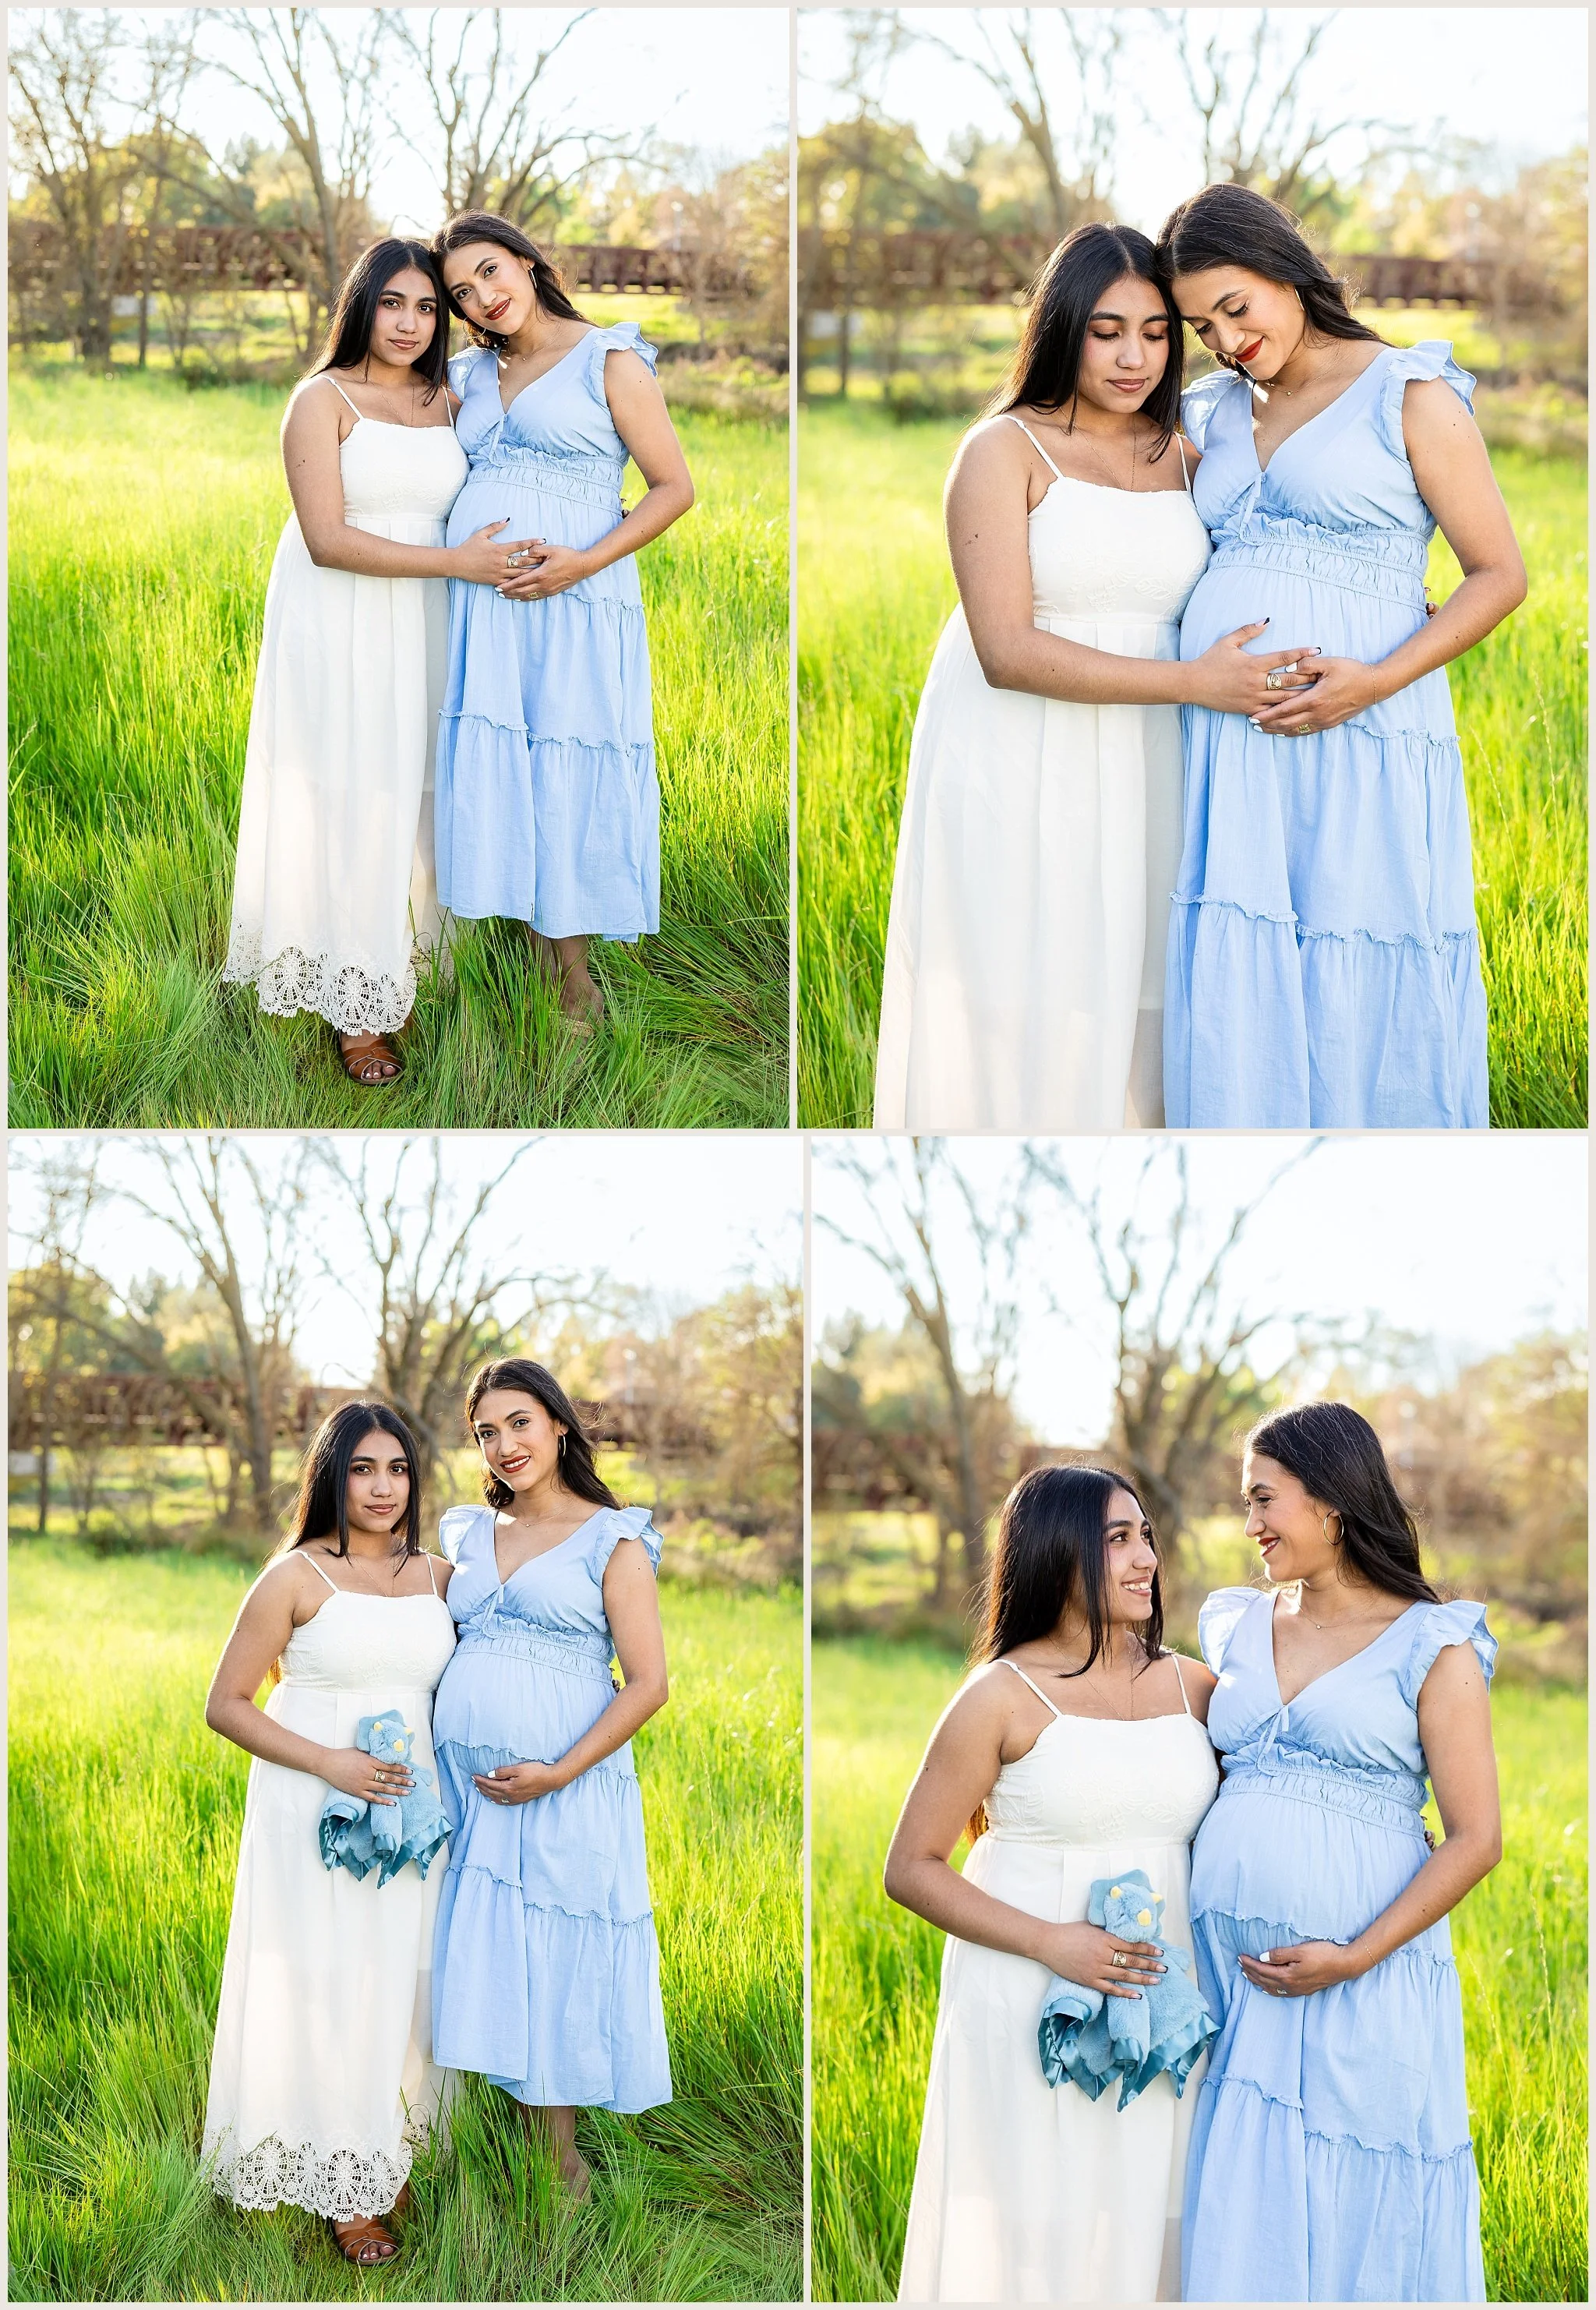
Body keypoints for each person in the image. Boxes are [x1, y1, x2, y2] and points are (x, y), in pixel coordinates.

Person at [872, 220, 1318, 1132]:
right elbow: (1005, 651)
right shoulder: (1001, 450)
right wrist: (1195, 683)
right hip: (1021, 749)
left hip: (1154, 756)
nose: (1133, 357)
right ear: (1061, 326)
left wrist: (1387, 606)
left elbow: (1279, 553)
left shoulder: (1190, 454)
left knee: (1144, 990)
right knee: (1027, 984)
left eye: (1156, 333)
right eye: (1106, 331)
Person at [1157, 182, 1528, 1128]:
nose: (1226, 341)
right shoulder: (1210, 413)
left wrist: (1371, 680)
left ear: (1284, 269)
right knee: (1246, 943)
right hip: (1229, 736)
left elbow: (1496, 574)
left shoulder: (1405, 391)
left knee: (1357, 929)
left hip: (1366, 723)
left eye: (1234, 309)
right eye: (1201, 326)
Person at [1183, 1402, 1501, 2301]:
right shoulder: (1233, 1625)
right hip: (1226, 1978)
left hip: (1360, 1972)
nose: (1248, 1525)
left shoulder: (1429, 1642)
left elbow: (1476, 1838)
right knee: (1241, 2208)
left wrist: (1352, 1956)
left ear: (1328, 1503)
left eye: (1262, 1501)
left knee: (1350, 2194)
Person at [884, 1465, 1220, 2302]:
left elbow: (1266, 1805)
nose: (1144, 1557)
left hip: (1162, 2005)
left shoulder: (1196, 1686)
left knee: (1149, 2208)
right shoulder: (1000, 1696)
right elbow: (910, 1868)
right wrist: (1051, 1944)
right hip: (1027, 1989)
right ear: (1055, 1555)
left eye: (1144, 1535)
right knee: (1037, 2222)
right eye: (1115, 1540)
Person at [224, 237, 538, 1089]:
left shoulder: (451, 396)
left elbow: (512, 466)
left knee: (430, 799)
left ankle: (423, 971)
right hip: (342, 621)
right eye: (393, 303)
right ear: (362, 305)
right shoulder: (320, 400)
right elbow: (326, 541)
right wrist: (456, 564)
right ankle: (357, 1013)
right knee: (358, 798)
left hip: (434, 621)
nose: (409, 323)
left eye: (428, 307)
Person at [201, 1403, 457, 2266]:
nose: (382, 1488)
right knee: (329, 1982)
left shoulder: (440, 1578)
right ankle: (346, 2189)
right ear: (331, 1476)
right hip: (313, 1808)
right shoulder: (295, 1577)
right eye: (362, 1469)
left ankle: (393, 2150)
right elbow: (227, 1704)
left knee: (407, 1985)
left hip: (416, 1817)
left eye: (396, 1469)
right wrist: (330, 1764)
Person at [432, 214, 696, 1035]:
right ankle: (518, 941)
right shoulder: (466, 373)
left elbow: (671, 488)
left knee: (562, 767)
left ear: (524, 260)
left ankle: (574, 984)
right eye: (462, 293)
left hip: (575, 603)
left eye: (489, 272)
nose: (483, 297)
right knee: (501, 761)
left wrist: (583, 561)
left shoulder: (606, 359)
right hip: (482, 609)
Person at [429, 1358, 672, 2196]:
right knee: (477, 1952)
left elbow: (648, 1684)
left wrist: (556, 1772)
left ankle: (557, 2172)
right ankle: (451, 2143)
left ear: (558, 1424)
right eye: (486, 1432)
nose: (503, 1446)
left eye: (519, 1423)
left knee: (549, 1954)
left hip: (560, 1785)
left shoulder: (613, 1539)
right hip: (464, 1792)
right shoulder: (465, 1533)